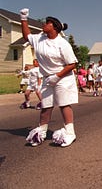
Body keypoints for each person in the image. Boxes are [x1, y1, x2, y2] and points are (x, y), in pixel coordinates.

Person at [20, 8, 78, 147]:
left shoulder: (63, 44)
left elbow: (72, 64)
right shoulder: (39, 39)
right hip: (47, 78)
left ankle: (70, 133)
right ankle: (41, 132)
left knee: (64, 104)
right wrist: (23, 18)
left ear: (54, 27)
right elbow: (26, 35)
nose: (43, 25)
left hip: (63, 77)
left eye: (47, 23)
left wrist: (57, 76)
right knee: (46, 106)